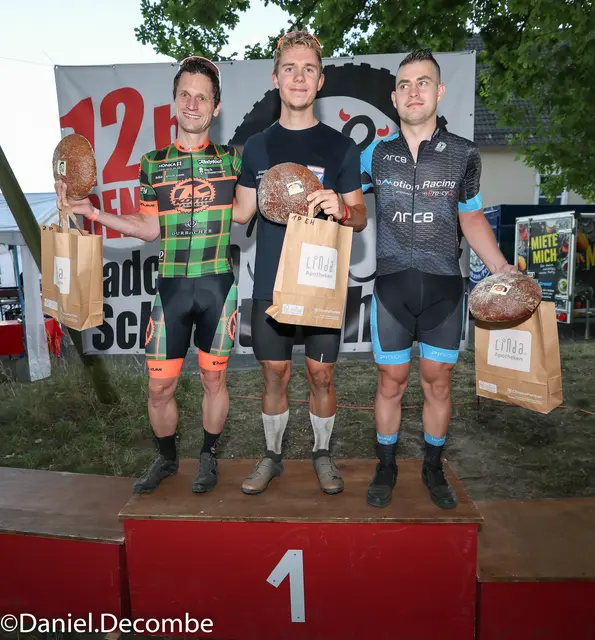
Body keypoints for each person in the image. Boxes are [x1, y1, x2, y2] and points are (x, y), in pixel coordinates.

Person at [56, 57, 242, 495]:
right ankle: (167, 458)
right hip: (171, 289)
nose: (193, 104)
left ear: (216, 107)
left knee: (214, 379)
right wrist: (94, 213)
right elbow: (148, 227)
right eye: (185, 95)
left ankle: (209, 455)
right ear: (174, 101)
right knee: (159, 388)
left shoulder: (234, 159)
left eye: (202, 97)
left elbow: (250, 209)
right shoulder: (153, 162)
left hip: (217, 286)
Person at [360, 49, 516, 509]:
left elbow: (472, 218)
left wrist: (502, 267)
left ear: (439, 91)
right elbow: (346, 203)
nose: (413, 92)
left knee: (438, 383)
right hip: (391, 289)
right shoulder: (374, 154)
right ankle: (385, 465)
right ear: (394, 98)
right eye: (404, 85)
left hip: (445, 289)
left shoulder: (464, 153)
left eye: (422, 82)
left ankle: (432, 466)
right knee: (390, 382)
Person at [232, 31, 367, 495]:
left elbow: (360, 217)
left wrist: (342, 208)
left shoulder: (340, 147)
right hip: (270, 283)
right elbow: (241, 212)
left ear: (320, 80)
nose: (298, 77)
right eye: (289, 68)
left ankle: (322, 454)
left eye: (309, 69)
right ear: (275, 78)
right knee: (274, 372)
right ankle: (272, 456)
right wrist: (188, 199)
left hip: (319, 282)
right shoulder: (256, 147)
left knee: (321, 374)